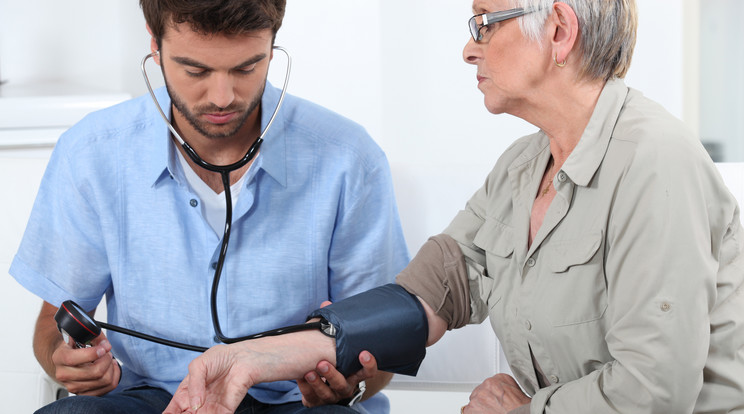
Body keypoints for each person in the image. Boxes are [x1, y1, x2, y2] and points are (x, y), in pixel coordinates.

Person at [161, 0, 744, 413]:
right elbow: (436, 289)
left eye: (485, 23)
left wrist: (526, 413)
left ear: (560, 31)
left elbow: (655, 390)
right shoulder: (523, 165)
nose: (470, 48)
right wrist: (248, 359)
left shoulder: (656, 162)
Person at [9, 1, 410, 413]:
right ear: (154, 42)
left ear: (273, 46)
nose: (222, 97)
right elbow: (52, 327)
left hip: (297, 403)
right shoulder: (91, 153)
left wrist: (350, 385)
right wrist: (70, 362)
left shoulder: (349, 159)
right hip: (148, 400)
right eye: (196, 71)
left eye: (245, 68)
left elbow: (380, 349)